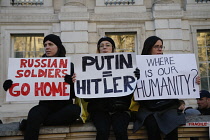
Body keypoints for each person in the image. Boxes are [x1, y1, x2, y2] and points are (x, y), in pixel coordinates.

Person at [3, 34, 81, 140]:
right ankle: (35, 120)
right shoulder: (37, 65)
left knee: (75, 110)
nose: (47, 47)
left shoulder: (69, 66)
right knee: (34, 113)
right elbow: (26, 82)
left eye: (50, 44)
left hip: (64, 106)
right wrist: (10, 86)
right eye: (45, 45)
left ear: (58, 46)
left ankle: (34, 122)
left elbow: (75, 94)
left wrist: (71, 83)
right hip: (45, 106)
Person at [133, 36, 200, 140]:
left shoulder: (170, 64)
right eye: (156, 47)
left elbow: (182, 80)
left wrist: (193, 81)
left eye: (161, 46)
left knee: (172, 125)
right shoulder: (138, 66)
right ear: (149, 48)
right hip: (148, 108)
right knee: (152, 126)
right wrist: (135, 78)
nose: (160, 49)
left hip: (168, 106)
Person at [74, 36, 139, 140]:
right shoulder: (89, 69)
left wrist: (135, 76)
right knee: (102, 132)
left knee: (121, 131)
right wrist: (78, 80)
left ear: (112, 48)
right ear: (98, 49)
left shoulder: (124, 66)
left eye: (107, 45)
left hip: (120, 109)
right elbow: (86, 97)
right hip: (99, 110)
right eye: (101, 46)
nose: (104, 48)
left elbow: (132, 91)